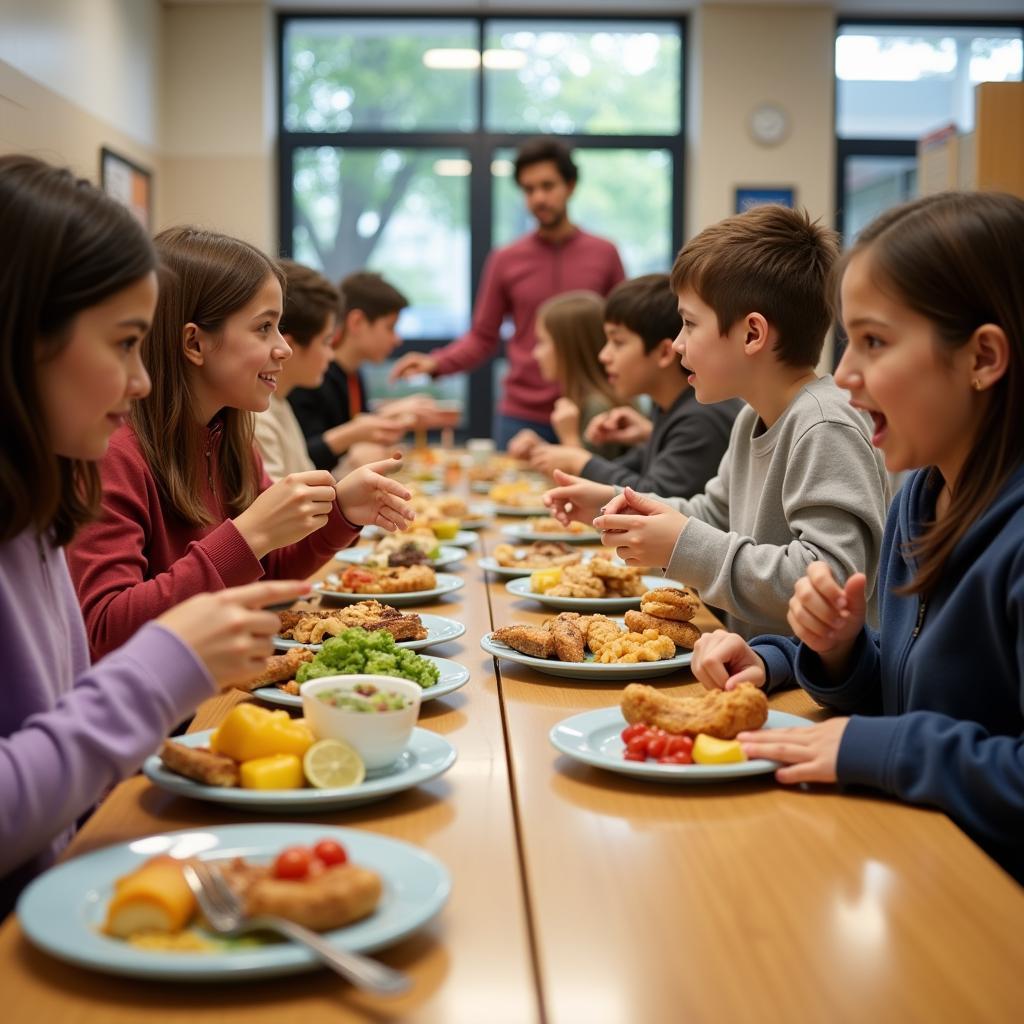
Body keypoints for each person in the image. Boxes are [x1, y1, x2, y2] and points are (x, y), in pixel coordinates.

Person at [0, 155, 308, 915]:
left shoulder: (36, 508)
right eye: (122, 343)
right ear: (22, 336)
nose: (139, 380)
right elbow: (111, 645)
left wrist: (333, 517)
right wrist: (167, 663)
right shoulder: (108, 459)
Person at [690, 192, 1024, 885]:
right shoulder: (924, 500)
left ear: (983, 357)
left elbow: (943, 745)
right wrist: (816, 652)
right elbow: (911, 694)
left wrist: (886, 748)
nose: (842, 376)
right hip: (912, 863)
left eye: (873, 342)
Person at [68, 227, 414, 659]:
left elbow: (266, 575)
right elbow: (105, 629)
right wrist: (247, 536)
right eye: (264, 328)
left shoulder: (230, 436)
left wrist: (341, 512)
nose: (283, 348)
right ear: (194, 342)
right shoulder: (114, 453)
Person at [548, 205, 890, 639]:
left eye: (690, 324)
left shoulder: (824, 425)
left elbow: (830, 584)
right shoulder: (751, 418)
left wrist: (682, 546)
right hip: (755, 666)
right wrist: (618, 503)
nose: (676, 343)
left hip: (811, 691)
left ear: (752, 334)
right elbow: (712, 515)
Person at [388, 138, 626, 447]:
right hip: (522, 414)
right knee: (510, 496)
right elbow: (482, 336)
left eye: (547, 186)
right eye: (529, 189)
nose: (538, 197)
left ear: (570, 186)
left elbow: (624, 331)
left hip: (591, 410)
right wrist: (437, 363)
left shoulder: (604, 253)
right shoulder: (506, 259)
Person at [530, 273, 740, 496]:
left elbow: (654, 496)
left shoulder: (701, 416)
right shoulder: (669, 408)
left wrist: (578, 459)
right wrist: (649, 434)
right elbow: (633, 472)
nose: (603, 355)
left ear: (664, 352)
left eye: (618, 343)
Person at [288, 270, 447, 474]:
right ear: (357, 322)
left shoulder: (353, 374)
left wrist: (389, 415)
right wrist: (377, 422)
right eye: (390, 327)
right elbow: (304, 458)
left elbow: (355, 426)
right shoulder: (311, 375)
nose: (397, 339)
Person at [506, 290, 623, 463]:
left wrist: (568, 437)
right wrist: (541, 449)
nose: (536, 353)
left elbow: (588, 481)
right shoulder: (584, 399)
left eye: (542, 342)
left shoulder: (598, 407)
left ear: (568, 349)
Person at [253, 260, 338, 480]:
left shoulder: (280, 403)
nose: (331, 355)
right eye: (326, 342)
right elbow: (286, 507)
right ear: (290, 345)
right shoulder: (258, 416)